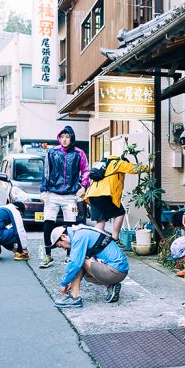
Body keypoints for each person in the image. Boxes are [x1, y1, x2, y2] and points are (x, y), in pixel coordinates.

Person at [39, 125, 90, 269]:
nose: (65, 140)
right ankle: (48, 254)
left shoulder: (79, 153)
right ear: (59, 138)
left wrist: (84, 186)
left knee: (71, 226)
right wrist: (43, 190)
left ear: (72, 138)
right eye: (62, 137)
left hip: (71, 197)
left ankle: (69, 255)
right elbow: (46, 172)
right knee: (48, 223)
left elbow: (86, 170)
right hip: (52, 195)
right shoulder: (52, 152)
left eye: (67, 137)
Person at [50, 225, 129, 308]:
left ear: (63, 236)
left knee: (79, 260)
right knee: (87, 275)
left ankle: (75, 297)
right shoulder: (81, 232)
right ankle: (111, 286)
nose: (63, 248)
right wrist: (72, 281)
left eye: (60, 245)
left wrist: (63, 284)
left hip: (114, 271)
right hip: (119, 271)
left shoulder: (79, 236)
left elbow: (75, 264)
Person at [84, 154, 149, 244]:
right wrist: (150, 167)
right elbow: (133, 168)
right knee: (120, 212)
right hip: (105, 193)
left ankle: (96, 243)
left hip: (92, 194)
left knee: (100, 219)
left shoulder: (103, 163)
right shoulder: (119, 163)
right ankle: (115, 238)